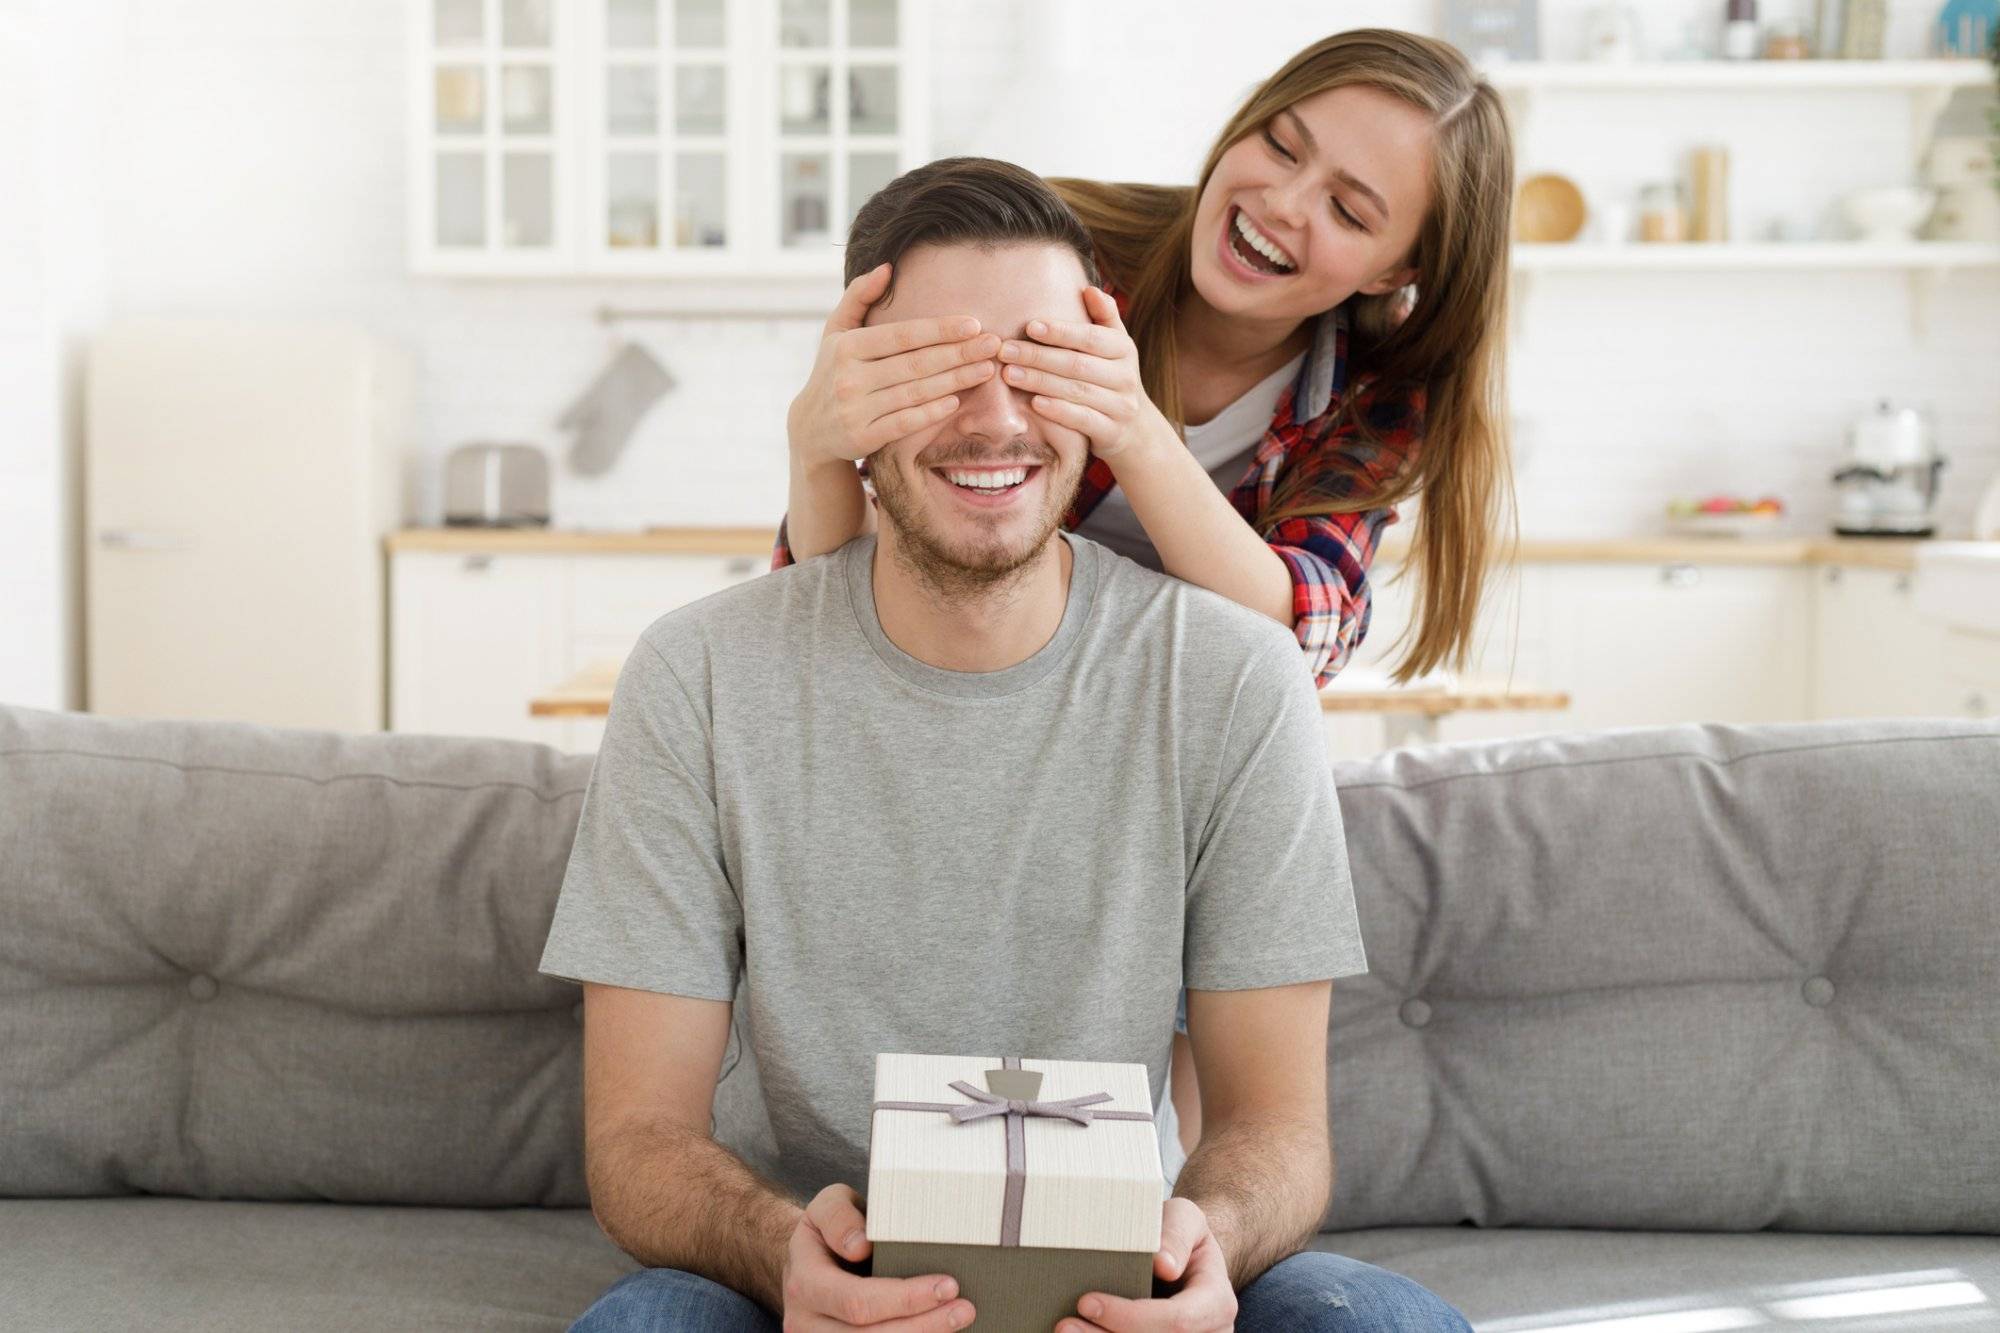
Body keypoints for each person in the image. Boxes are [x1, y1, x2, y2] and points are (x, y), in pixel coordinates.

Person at [539, 158, 1474, 1331]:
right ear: (852, 392)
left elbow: (1274, 1128)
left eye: (1037, 366)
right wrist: (778, 1246)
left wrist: (1208, 1240)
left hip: (1114, 1262)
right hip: (798, 1272)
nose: (993, 417)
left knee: (1371, 1319)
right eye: (936, 368)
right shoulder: (697, 674)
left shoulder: (1237, 679)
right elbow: (637, 1138)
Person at [773, 27, 1519, 1153]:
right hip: (948, 717)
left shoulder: (1376, 399)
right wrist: (819, 444)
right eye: (1279, 144)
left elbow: (1292, 641)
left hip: (1155, 772)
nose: (1281, 202)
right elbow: (824, 603)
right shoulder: (1066, 251)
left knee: (1152, 1147)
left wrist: (1129, 424)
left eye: (1350, 209)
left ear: (1393, 272)